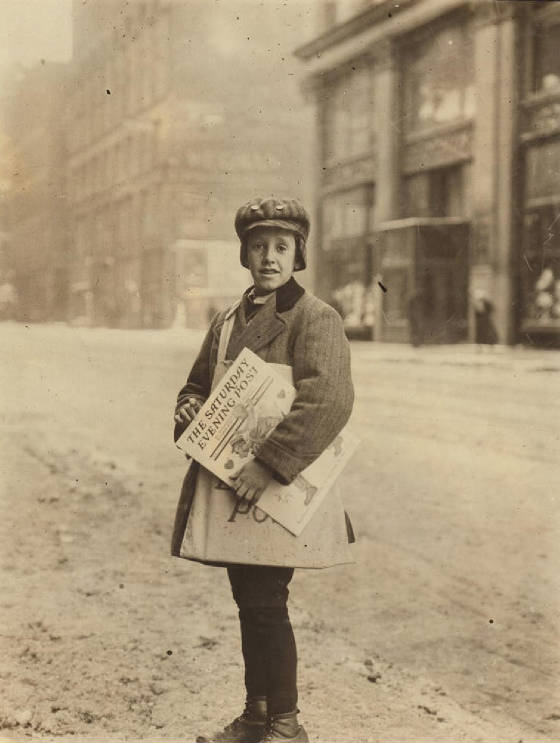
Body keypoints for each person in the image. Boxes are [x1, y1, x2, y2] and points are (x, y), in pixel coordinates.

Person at [171, 197, 355, 743]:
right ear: (244, 253)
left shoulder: (315, 317)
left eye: (281, 246)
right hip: (232, 488)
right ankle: (257, 715)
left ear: (298, 253)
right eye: (258, 246)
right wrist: (187, 407)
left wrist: (269, 466)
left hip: (278, 490)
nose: (268, 258)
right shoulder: (227, 319)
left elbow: (328, 401)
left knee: (267, 604)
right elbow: (197, 383)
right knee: (249, 603)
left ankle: (286, 724)